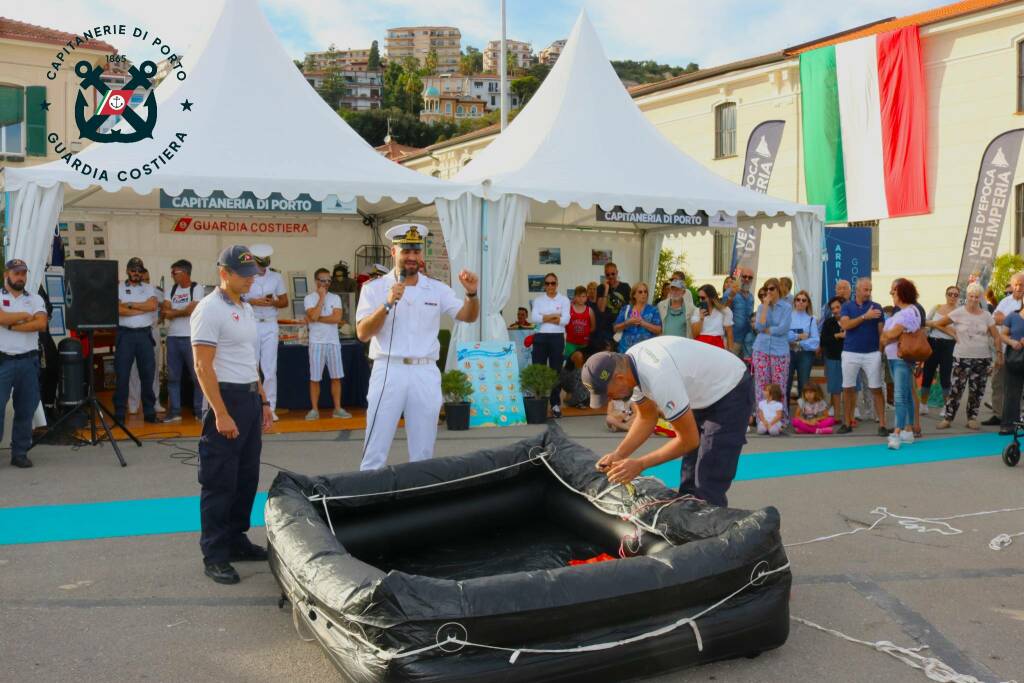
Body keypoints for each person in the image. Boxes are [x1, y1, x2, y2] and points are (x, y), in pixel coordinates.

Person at [356, 224, 479, 470]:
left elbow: (467, 316)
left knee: (423, 448)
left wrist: (472, 294)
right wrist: (388, 304)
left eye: (416, 251)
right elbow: (363, 333)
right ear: (393, 252)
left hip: (425, 371)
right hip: (389, 368)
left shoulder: (436, 288)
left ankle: (418, 499)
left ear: (421, 255)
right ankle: (367, 499)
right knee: (375, 445)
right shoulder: (374, 288)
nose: (411, 257)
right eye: (405, 251)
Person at [583, 336, 754, 507]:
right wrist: (618, 455)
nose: (610, 400)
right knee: (689, 479)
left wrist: (640, 464)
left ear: (620, 378)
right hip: (703, 391)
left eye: (609, 394)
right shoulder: (629, 366)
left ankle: (709, 528)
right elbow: (646, 417)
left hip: (731, 390)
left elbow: (688, 440)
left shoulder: (659, 376)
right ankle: (688, 524)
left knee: (707, 482)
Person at [191, 245, 274, 585]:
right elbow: (202, 365)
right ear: (224, 274)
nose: (251, 280)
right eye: (245, 275)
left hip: (249, 400)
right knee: (219, 481)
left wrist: (264, 400)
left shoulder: (247, 308)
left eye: (253, 273)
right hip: (224, 400)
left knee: (245, 479)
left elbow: (247, 358)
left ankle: (236, 539)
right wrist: (221, 413)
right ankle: (215, 554)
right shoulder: (209, 309)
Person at [932, 283, 1001, 430]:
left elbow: (996, 336)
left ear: (980, 298)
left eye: (977, 297)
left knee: (977, 390)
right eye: (971, 296)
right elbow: (939, 324)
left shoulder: (987, 315)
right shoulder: (958, 312)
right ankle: (948, 418)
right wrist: (954, 334)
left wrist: (999, 354)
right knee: (956, 389)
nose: (974, 299)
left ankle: (972, 418)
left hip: (982, 358)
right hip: (962, 357)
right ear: (967, 297)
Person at [0, 259, 48, 468]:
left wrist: (11, 325)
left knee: (25, 409)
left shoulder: (35, 298)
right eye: (16, 273)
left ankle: (19, 452)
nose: (20, 277)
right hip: (3, 361)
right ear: (6, 275)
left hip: (28, 362)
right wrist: (24, 317)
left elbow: (41, 323)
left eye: (23, 273)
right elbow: (0, 317)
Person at [837, 278, 889, 436]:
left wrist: (880, 351)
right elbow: (845, 325)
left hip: (872, 353)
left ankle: (882, 424)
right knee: (848, 388)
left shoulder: (877, 307)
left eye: (870, 290)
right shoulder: (847, 306)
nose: (868, 293)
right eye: (866, 290)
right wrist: (865, 317)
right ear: (857, 290)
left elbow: (882, 332)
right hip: (850, 352)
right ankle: (847, 423)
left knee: (876, 388)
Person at [246, 244, 288, 421]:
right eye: (260, 265)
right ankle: (252, 406)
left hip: (270, 323)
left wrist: (272, 302)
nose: (262, 269)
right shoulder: (246, 276)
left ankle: (270, 407)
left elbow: (285, 301)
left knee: (270, 368)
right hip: (253, 322)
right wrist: (254, 301)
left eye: (265, 265)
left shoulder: (276, 276)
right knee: (252, 367)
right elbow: (239, 299)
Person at [878, 278, 922, 449]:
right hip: (895, 357)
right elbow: (885, 336)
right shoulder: (900, 312)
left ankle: (897, 432)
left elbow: (889, 335)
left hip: (901, 358)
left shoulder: (909, 312)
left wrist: (888, 335)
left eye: (893, 291)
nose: (891, 294)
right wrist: (888, 335)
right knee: (905, 394)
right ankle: (908, 431)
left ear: (902, 292)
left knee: (899, 396)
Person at [115, 257, 159, 424]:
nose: (136, 273)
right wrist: (140, 308)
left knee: (147, 375)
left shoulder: (149, 288)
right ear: (127, 271)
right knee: (123, 375)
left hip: (144, 336)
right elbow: (118, 310)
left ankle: (149, 411)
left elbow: (153, 306)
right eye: (133, 270)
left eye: (140, 271)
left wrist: (130, 305)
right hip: (125, 335)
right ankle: (120, 412)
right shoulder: (119, 287)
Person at [161, 259, 205, 422]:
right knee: (173, 377)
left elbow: (193, 310)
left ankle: (199, 410)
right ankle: (174, 411)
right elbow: (165, 311)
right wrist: (179, 311)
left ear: (185, 273)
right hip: (173, 337)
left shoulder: (196, 288)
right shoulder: (171, 289)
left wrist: (174, 312)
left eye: (175, 273)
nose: (172, 276)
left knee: (196, 377)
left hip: (191, 337)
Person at [304, 268, 350, 421]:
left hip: (333, 342)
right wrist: (321, 298)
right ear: (316, 281)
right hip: (316, 342)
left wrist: (316, 318)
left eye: (328, 281)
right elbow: (313, 314)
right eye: (323, 280)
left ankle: (337, 408)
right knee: (315, 378)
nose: (326, 283)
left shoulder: (336, 298)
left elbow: (336, 318)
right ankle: (314, 410)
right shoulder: (309, 298)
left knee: (336, 377)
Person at [984, 273, 1024, 426]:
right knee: (998, 382)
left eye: (1022, 284)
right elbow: (995, 320)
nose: (1019, 287)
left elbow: (1003, 320)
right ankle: (999, 414)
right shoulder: (1005, 301)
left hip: (1020, 351)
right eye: (1016, 284)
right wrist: (1011, 318)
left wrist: (1006, 318)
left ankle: (1017, 416)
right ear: (1012, 285)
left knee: (1017, 387)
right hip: (1004, 349)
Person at [529, 272, 571, 418]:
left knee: (555, 372)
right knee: (539, 370)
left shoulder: (564, 300)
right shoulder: (538, 300)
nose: (550, 286)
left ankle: (555, 404)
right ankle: (538, 400)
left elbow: (566, 320)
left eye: (553, 283)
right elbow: (534, 318)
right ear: (544, 285)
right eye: (547, 283)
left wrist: (544, 318)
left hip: (557, 338)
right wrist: (554, 316)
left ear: (557, 284)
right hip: (540, 337)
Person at [752, 277, 792, 421]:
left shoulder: (787, 307)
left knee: (778, 384)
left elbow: (783, 328)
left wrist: (770, 330)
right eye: (766, 289)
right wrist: (765, 305)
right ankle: (762, 418)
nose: (768, 292)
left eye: (772, 289)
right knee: (761, 384)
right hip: (761, 349)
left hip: (780, 351)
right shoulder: (762, 307)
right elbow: (759, 327)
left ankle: (780, 418)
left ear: (778, 290)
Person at [128, 268, 165, 415]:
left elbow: (165, 305)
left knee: (153, 369)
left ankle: (155, 402)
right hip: (134, 332)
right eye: (143, 279)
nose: (145, 282)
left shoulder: (155, 291)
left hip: (151, 332)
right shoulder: (128, 291)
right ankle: (133, 403)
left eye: (148, 279)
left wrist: (160, 318)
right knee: (134, 369)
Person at [918, 285, 959, 414]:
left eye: (955, 294)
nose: (952, 296)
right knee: (927, 375)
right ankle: (923, 404)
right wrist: (942, 327)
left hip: (949, 346)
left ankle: (946, 406)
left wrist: (937, 325)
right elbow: (925, 322)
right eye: (950, 294)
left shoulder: (959, 312)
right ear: (946, 295)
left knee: (945, 376)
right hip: (933, 343)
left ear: (958, 297)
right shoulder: (936, 307)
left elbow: (957, 332)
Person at [787, 290, 819, 400]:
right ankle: (784, 415)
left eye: (803, 300)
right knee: (786, 384)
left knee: (804, 385)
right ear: (794, 302)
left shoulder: (812, 320)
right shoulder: (787, 317)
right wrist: (801, 336)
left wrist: (797, 341)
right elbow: (784, 336)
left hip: (805, 355)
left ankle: (804, 414)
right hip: (788, 353)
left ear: (807, 303)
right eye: (798, 299)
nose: (800, 302)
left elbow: (815, 342)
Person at [613, 282, 661, 352]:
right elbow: (615, 328)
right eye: (640, 292)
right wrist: (628, 323)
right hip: (625, 350)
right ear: (634, 295)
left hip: (645, 351)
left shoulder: (653, 310)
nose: (643, 294)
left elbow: (658, 330)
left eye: (645, 292)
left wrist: (642, 323)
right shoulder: (626, 309)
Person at [820, 297, 846, 423]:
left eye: (838, 307)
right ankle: (836, 417)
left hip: (850, 358)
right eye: (833, 309)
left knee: (850, 388)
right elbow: (823, 341)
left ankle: (849, 417)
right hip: (833, 358)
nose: (835, 310)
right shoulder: (828, 322)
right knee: (835, 389)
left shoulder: (851, 321)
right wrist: (837, 335)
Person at [1000, 300, 1024, 435]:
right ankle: (1008, 425)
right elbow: (1002, 334)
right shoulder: (1013, 316)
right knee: (1011, 393)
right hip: (1015, 358)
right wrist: (1011, 341)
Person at [596, 262, 631, 350]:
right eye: (608, 274)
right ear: (605, 274)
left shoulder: (625, 287)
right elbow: (601, 309)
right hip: (606, 328)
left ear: (617, 272)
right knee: (608, 356)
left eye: (613, 274)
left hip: (621, 326)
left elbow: (631, 306)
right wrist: (606, 289)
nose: (610, 276)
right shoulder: (601, 288)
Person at [723, 268, 755, 356]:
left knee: (744, 368)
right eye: (744, 276)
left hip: (747, 340)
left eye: (750, 277)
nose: (747, 279)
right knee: (730, 367)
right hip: (732, 339)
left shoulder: (751, 297)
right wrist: (730, 298)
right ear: (739, 277)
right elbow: (723, 312)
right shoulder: (729, 293)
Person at [691, 284, 733, 349]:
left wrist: (730, 353)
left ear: (711, 298)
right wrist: (701, 319)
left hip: (716, 345)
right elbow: (694, 334)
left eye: (703, 298)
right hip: (700, 345)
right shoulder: (697, 311)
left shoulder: (724, 311)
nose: (700, 301)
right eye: (698, 298)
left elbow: (729, 333)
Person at [564, 285, 596, 369]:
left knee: (582, 367)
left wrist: (584, 333)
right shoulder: (568, 309)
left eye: (583, 296)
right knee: (569, 367)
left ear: (586, 297)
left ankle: (580, 382)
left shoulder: (589, 310)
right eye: (579, 296)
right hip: (570, 343)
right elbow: (564, 325)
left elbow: (593, 327)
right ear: (574, 297)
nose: (581, 299)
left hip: (584, 344)